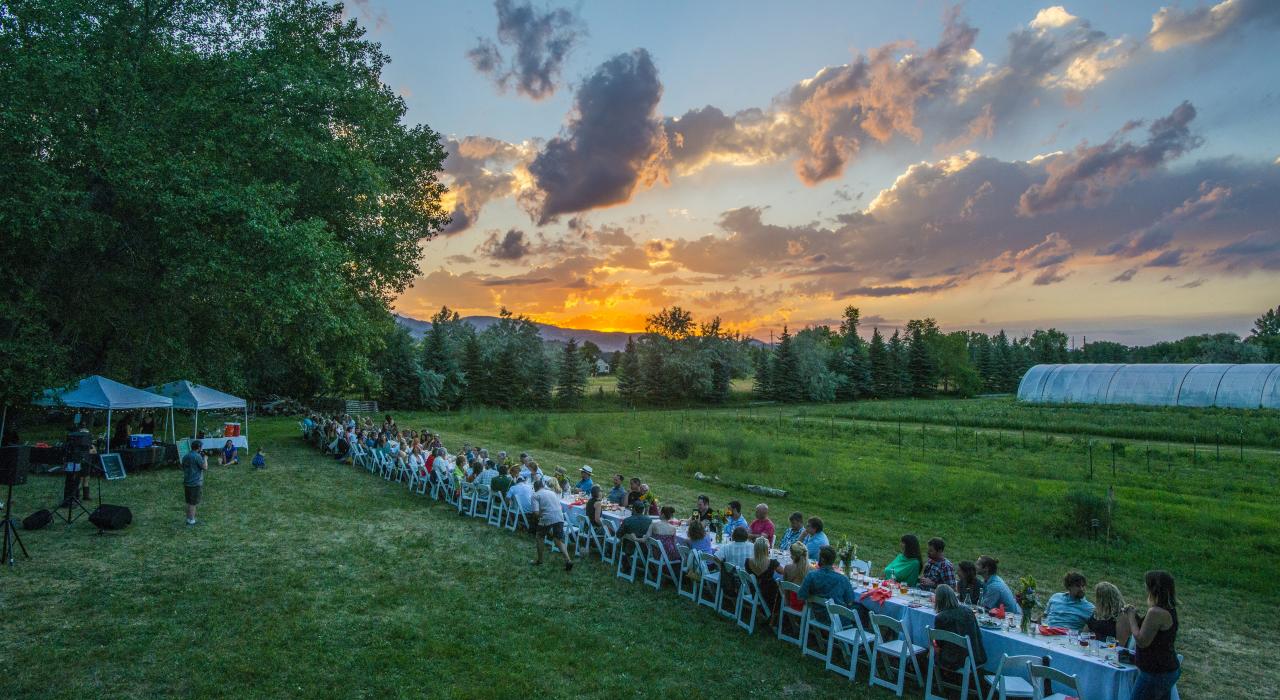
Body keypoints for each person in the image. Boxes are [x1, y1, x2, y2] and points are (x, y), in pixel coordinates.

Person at [1119, 571, 1180, 700]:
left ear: (1153, 588)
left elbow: (1142, 640)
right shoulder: (1169, 609)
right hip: (1166, 670)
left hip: (1155, 673)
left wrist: (1130, 617)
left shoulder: (1155, 612)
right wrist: (1135, 616)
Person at [932, 584, 988, 674]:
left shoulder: (941, 618)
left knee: (932, 648)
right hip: (975, 656)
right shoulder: (968, 611)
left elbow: (939, 643)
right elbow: (977, 634)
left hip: (953, 660)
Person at [530, 478, 573, 571]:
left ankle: (540, 560)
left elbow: (536, 513)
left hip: (547, 517)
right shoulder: (552, 493)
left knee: (539, 536)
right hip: (559, 516)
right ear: (543, 486)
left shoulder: (535, 495)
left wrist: (540, 519)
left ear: (535, 488)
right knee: (558, 540)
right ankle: (568, 560)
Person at [746, 536, 781, 617]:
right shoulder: (772, 563)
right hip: (769, 593)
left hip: (753, 590)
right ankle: (776, 616)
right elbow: (784, 572)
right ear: (766, 549)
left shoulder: (747, 561)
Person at [181, 440, 208, 526]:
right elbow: (205, 467)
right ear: (199, 447)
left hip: (187, 482)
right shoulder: (197, 456)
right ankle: (192, 521)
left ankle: (188, 519)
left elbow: (182, 466)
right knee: (193, 503)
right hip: (195, 483)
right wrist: (205, 459)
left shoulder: (186, 456)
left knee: (188, 502)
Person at [782, 542, 809, 612]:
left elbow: (784, 589)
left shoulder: (788, 568)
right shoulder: (812, 570)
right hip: (806, 606)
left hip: (791, 603)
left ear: (792, 556)